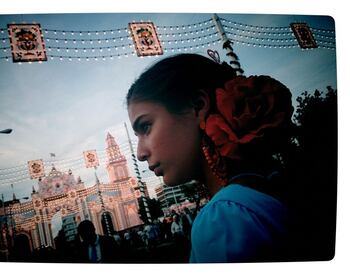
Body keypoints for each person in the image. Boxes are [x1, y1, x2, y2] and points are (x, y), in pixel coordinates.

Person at [126, 53, 294, 262]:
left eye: (146, 127)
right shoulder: (273, 184)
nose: (140, 153)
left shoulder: (224, 220)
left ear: (197, 106)